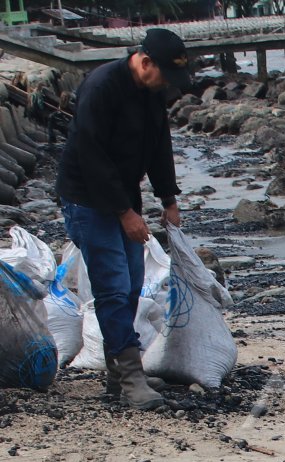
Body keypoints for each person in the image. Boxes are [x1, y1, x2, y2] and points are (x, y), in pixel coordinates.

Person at [57, 28, 191, 411]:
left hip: (121, 195)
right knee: (113, 286)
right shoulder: (102, 87)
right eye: (164, 75)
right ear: (145, 62)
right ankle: (130, 378)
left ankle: (119, 371)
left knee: (133, 282)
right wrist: (125, 213)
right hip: (86, 197)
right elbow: (91, 156)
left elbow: (158, 146)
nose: (168, 84)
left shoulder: (151, 94)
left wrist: (168, 199)